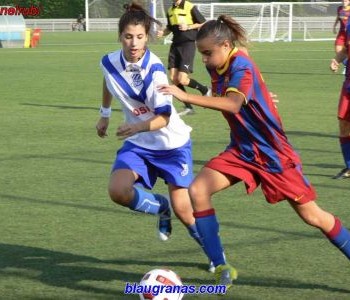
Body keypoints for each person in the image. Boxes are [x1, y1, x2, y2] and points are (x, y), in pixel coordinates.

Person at [159, 15, 350, 290]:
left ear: (225, 45)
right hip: (242, 150)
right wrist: (262, 94)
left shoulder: (241, 64)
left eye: (207, 53)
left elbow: (234, 104)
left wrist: (186, 96)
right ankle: (221, 266)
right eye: (201, 54)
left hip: (273, 154)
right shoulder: (220, 62)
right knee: (198, 190)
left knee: (313, 217)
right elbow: (241, 94)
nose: (203, 60)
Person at [95, 2, 215, 272]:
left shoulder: (156, 70)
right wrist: (104, 113)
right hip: (140, 145)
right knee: (118, 191)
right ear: (120, 36)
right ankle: (160, 207)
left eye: (139, 37)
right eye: (128, 36)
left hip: (171, 144)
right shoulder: (109, 61)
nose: (134, 43)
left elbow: (164, 118)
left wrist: (135, 126)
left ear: (147, 37)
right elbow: (108, 79)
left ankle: (213, 253)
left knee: (185, 211)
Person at [157, 0, 210, 116]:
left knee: (182, 79)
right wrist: (162, 33)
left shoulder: (189, 6)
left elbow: (203, 22)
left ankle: (204, 89)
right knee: (173, 78)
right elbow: (170, 28)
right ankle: (188, 108)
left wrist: (188, 26)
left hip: (188, 44)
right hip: (175, 45)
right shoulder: (170, 10)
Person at [330, 22, 350, 179]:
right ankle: (349, 166)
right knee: (343, 123)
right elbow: (345, 48)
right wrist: (337, 60)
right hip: (348, 83)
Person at [333, 0, 350, 74]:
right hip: (341, 33)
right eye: (343, 1)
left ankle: (347, 67)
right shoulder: (339, 8)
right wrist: (334, 26)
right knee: (338, 51)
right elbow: (338, 18)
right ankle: (347, 65)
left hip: (348, 34)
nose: (344, 2)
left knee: (347, 52)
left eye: (345, 1)